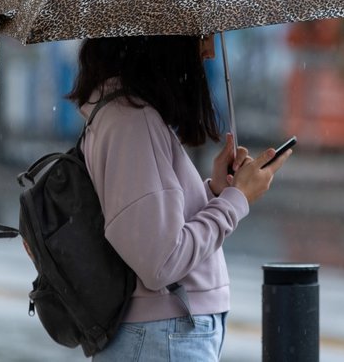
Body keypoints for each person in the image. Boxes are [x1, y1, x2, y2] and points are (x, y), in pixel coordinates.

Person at [67, 33, 292, 361]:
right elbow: (161, 261)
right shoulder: (132, 121)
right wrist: (235, 199)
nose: (209, 51)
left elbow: (153, 224)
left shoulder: (128, 117)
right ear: (166, 42)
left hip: (165, 332)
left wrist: (215, 192)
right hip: (164, 335)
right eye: (201, 37)